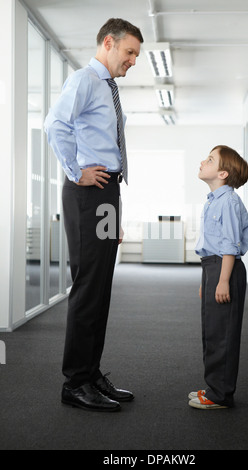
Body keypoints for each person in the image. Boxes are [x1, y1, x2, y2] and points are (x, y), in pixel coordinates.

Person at [44, 18, 144, 412]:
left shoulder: (106, 87)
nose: (133, 60)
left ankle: (90, 372)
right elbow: (55, 124)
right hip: (89, 190)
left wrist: (112, 212)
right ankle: (74, 382)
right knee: (88, 287)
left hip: (105, 192)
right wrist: (76, 171)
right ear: (109, 42)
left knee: (100, 286)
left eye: (136, 54)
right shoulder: (86, 79)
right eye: (130, 52)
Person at [189, 145, 248, 410]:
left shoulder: (228, 201)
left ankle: (220, 395)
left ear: (223, 173)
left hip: (225, 268)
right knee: (212, 332)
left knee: (222, 335)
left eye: (210, 159)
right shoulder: (214, 200)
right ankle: (215, 386)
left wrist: (223, 280)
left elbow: (229, 245)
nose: (203, 161)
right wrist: (209, 280)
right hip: (213, 268)